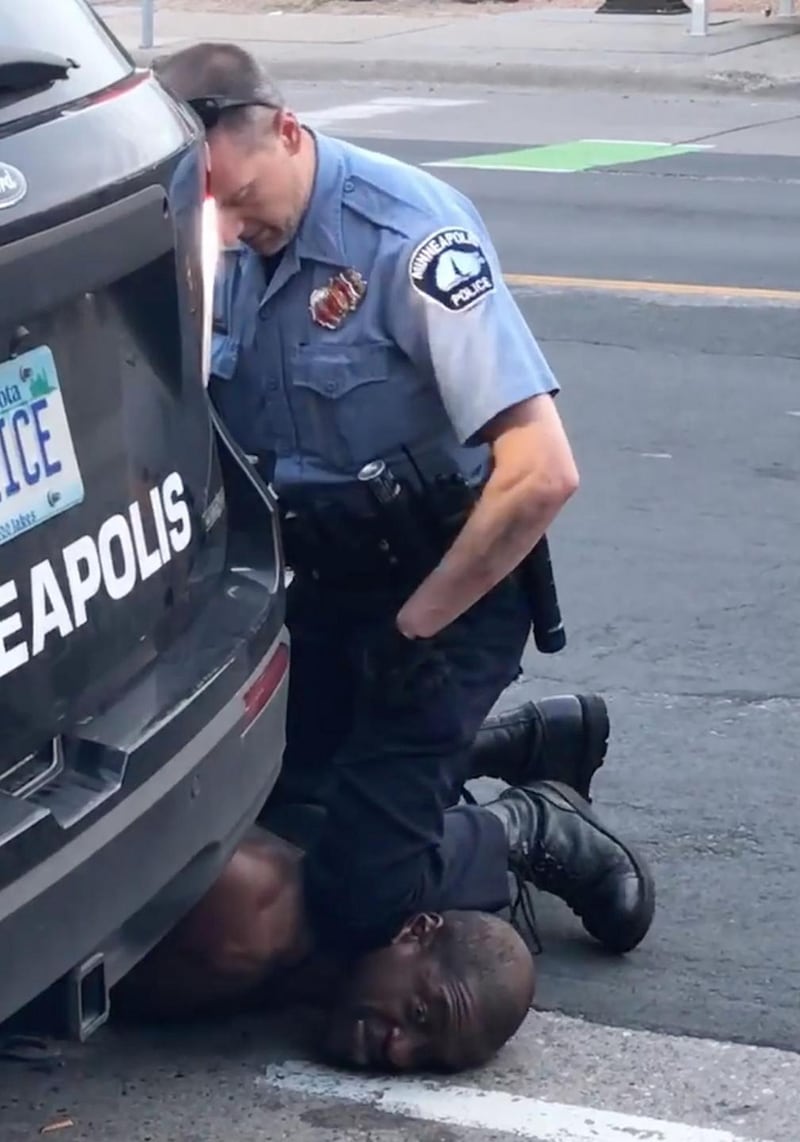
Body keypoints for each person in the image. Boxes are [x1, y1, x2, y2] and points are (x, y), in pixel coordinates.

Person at [153, 44, 655, 962]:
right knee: (270, 815)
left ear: (289, 132)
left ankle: (530, 823)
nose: (219, 228)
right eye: (201, 205)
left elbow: (541, 471)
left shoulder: (407, 236)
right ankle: (511, 743)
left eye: (235, 199)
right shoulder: (207, 238)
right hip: (317, 585)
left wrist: (418, 628)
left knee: (354, 897)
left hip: (440, 593)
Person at [114, 810, 537, 1073]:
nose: (400, 1053)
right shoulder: (248, 920)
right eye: (420, 1013)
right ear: (415, 932)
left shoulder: (349, 979)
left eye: (428, 1061)